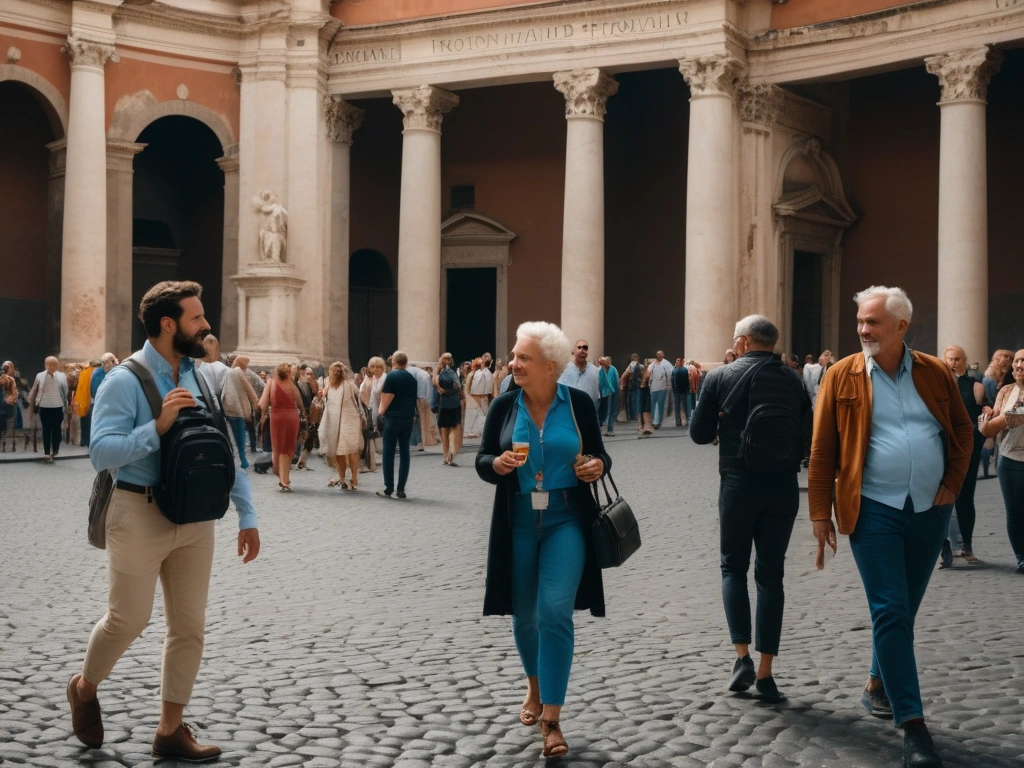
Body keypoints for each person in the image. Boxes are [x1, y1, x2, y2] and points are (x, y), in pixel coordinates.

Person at [68, 280, 260, 762]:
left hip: (196, 517)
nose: (206, 325)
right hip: (138, 511)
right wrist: (156, 428)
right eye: (197, 318)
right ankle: (84, 687)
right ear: (168, 324)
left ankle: (170, 729)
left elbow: (225, 450)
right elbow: (101, 452)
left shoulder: (201, 375)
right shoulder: (124, 380)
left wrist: (247, 514)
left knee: (189, 627)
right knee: (128, 619)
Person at [809, 286, 972, 768]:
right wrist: (820, 513)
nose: (863, 330)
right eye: (860, 321)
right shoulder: (841, 376)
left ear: (902, 326)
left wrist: (953, 484)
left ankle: (877, 682)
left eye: (873, 322)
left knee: (902, 612)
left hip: (930, 509)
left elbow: (962, 431)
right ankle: (913, 726)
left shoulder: (935, 371)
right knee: (891, 609)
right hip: (872, 508)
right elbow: (822, 452)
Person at [476, 321, 610, 759]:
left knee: (554, 611)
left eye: (523, 358)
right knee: (526, 617)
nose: (513, 363)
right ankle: (534, 686)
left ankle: (552, 720)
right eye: (514, 356)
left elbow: (600, 454)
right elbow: (481, 458)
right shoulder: (504, 406)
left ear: (550, 367)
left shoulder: (579, 405)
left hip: (565, 519)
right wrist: (495, 465)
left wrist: (595, 466)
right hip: (516, 523)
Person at [690, 315, 810, 704]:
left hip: (738, 483)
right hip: (783, 488)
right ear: (771, 344)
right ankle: (766, 673)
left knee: (733, 568)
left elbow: (699, 434)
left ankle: (740, 656)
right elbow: (808, 435)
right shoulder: (793, 378)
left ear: (741, 342)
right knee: (771, 577)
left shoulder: (721, 377)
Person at [939, 345, 986, 566]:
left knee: (965, 497)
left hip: (968, 450)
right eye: (950, 359)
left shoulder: (975, 386)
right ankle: (945, 547)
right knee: (938, 498)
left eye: (958, 359)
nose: (954, 363)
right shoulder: (935, 385)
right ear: (944, 360)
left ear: (965, 361)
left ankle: (966, 545)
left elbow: (982, 417)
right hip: (940, 450)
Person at [980, 348, 1024, 573]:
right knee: (1015, 511)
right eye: (1017, 361)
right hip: (1009, 459)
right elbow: (991, 422)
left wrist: (991, 423)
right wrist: (990, 421)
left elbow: (1000, 422)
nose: (1018, 365)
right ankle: (1021, 557)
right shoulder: (1006, 390)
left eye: (1023, 361)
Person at [376, 351, 418, 498]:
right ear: (405, 363)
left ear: (393, 362)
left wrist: (380, 412)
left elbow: (387, 397)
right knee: (405, 453)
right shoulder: (412, 379)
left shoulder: (391, 376)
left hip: (393, 419)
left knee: (388, 453)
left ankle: (389, 487)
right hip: (407, 418)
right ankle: (401, 489)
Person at [258, 363, 305, 491]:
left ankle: (281, 476)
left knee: (278, 447)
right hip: (291, 417)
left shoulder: (270, 382)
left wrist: (262, 417)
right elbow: (300, 403)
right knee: (288, 448)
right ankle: (285, 479)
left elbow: (263, 402)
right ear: (289, 373)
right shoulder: (292, 386)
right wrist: (306, 418)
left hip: (277, 417)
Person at [320, 362, 364, 491]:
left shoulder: (347, 386)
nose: (336, 373)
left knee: (349, 450)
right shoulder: (330, 387)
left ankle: (350, 478)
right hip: (339, 423)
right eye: (335, 371)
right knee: (344, 451)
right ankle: (347, 478)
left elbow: (358, 403)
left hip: (348, 421)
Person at [30, 356, 69, 462]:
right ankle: (47, 453)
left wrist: (66, 404)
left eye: (57, 364)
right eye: (54, 364)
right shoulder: (40, 376)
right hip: (44, 406)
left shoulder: (61, 376)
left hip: (58, 406)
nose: (57, 366)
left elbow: (65, 391)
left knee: (56, 430)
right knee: (46, 430)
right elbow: (35, 390)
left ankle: (55, 449)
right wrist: (32, 403)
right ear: (48, 365)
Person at [221, 358, 259, 470]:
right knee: (240, 436)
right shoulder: (238, 372)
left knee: (230, 435)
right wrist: (255, 402)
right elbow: (249, 389)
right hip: (237, 408)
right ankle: (243, 460)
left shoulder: (229, 371)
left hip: (228, 407)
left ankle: (233, 458)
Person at [433, 353, 463, 466]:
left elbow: (456, 385)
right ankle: (447, 454)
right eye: (444, 358)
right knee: (446, 429)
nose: (446, 360)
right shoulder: (442, 372)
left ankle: (449, 453)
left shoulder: (450, 372)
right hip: (446, 404)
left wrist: (441, 389)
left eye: (448, 358)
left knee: (450, 429)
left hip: (450, 404)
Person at [360, 357, 385, 472]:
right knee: (373, 431)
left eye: (379, 367)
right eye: (373, 366)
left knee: (381, 431)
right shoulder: (372, 378)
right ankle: (375, 454)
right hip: (372, 408)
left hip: (383, 408)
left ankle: (381, 453)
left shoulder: (385, 378)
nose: (376, 369)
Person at [557, 339, 600, 406]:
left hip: (588, 411)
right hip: (569, 411)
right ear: (573, 351)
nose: (582, 350)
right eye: (579, 347)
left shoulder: (595, 371)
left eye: (585, 348)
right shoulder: (564, 369)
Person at [647, 350, 673, 429]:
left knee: (660, 405)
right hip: (654, 387)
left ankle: (659, 421)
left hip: (662, 388)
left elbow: (669, 375)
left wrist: (668, 386)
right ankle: (654, 421)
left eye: (660, 354)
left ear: (663, 355)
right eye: (658, 354)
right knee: (654, 405)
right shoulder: (652, 365)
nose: (659, 356)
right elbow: (649, 375)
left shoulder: (666, 364)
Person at [598, 356, 619, 436]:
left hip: (608, 392)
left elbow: (614, 381)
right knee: (608, 410)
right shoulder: (604, 370)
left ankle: (606, 427)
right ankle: (608, 428)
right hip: (608, 392)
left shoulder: (608, 369)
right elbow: (604, 381)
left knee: (607, 410)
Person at [672, 357, 689, 428]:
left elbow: (686, 381)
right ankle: (678, 421)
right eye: (676, 361)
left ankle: (685, 420)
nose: (677, 362)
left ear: (681, 362)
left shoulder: (684, 370)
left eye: (678, 361)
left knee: (684, 407)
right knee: (678, 407)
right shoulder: (674, 370)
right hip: (677, 391)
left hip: (682, 391)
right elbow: (672, 381)